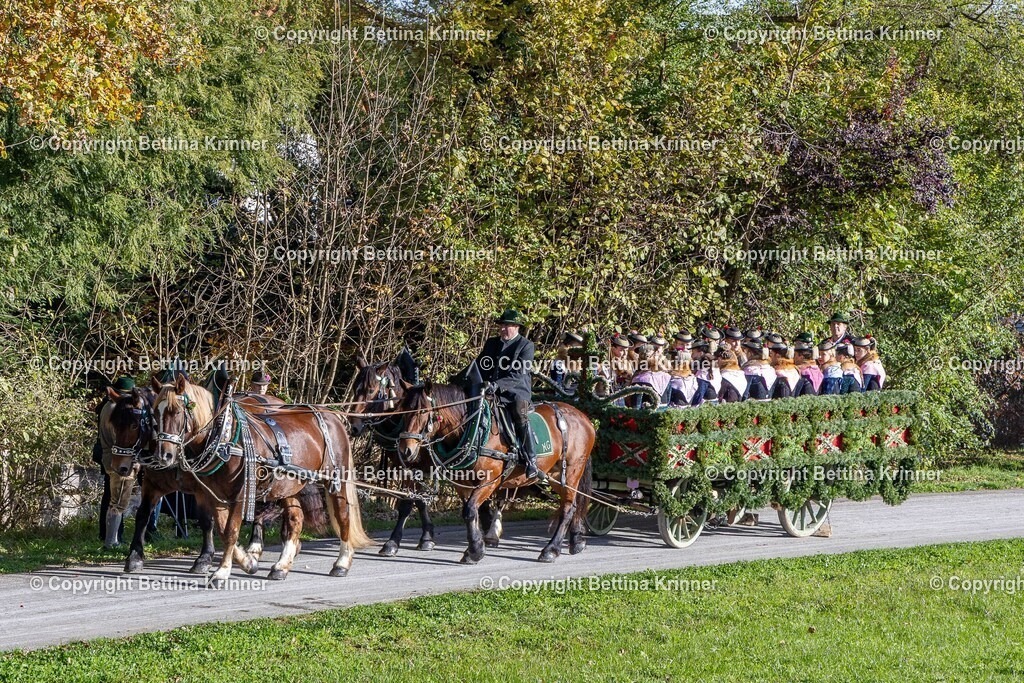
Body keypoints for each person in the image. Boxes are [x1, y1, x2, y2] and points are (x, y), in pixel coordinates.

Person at [476, 309, 541, 480]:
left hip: (515, 391)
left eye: (508, 326)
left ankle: (530, 459)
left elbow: (518, 374)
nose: (504, 329)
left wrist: (496, 385)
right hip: (490, 390)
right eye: (502, 325)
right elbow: (479, 365)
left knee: (520, 413)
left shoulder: (526, 345)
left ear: (517, 327)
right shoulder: (491, 343)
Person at [94, 376, 136, 545]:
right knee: (118, 500)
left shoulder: (106, 406)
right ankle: (111, 541)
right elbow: (120, 438)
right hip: (117, 458)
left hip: (107, 455)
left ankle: (108, 536)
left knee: (110, 497)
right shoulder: (115, 409)